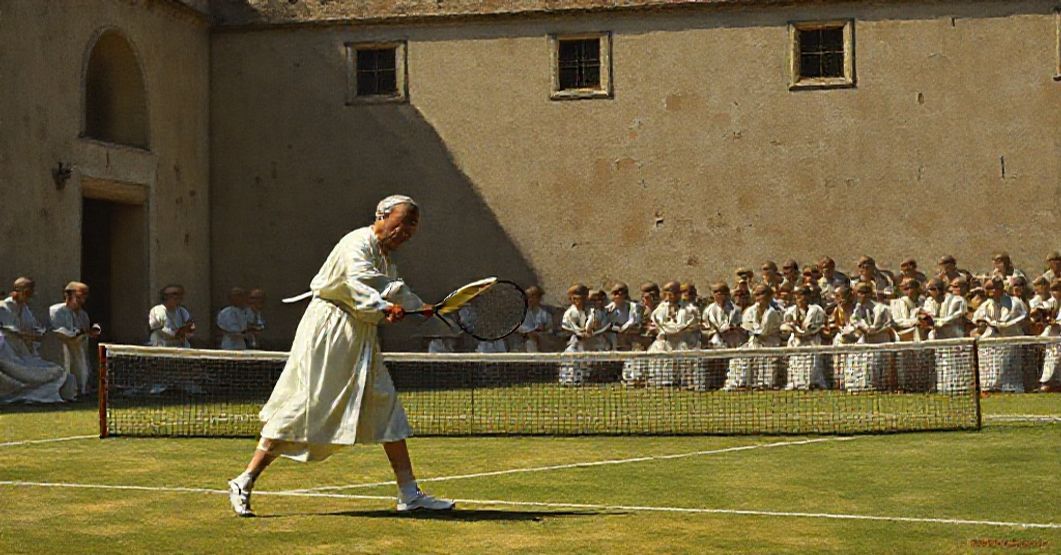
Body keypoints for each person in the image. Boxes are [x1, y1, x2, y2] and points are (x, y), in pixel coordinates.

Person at [227, 195, 453, 517]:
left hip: (361, 337)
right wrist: (389, 307)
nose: (407, 233)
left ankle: (409, 493)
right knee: (305, 406)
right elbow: (362, 284)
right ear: (383, 216)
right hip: (329, 332)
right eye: (404, 224)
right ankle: (244, 480)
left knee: (386, 407)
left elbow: (390, 287)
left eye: (412, 228)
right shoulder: (356, 244)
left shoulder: (386, 259)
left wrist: (418, 306)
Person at [0, 277, 75, 403]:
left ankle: (31, 396)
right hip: (7, 355)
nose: (29, 297)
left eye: (31, 293)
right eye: (27, 293)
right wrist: (23, 334)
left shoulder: (25, 309)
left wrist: (37, 333)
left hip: (24, 355)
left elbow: (34, 328)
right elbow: (10, 331)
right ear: (16, 292)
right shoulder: (3, 308)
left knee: (58, 372)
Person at [972, 277, 1028, 392]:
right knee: (989, 371)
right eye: (987, 288)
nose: (990, 291)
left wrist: (995, 324)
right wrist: (981, 325)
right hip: (991, 345)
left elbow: (1010, 321)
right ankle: (988, 388)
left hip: (1010, 343)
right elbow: (979, 321)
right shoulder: (986, 304)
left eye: (993, 288)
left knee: (1008, 373)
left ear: (1001, 288)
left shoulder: (1014, 302)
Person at [723, 285, 782, 390]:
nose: (759, 297)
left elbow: (763, 332)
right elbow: (746, 326)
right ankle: (739, 384)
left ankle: (765, 384)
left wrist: (753, 330)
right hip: (753, 343)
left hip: (770, 344)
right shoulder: (750, 311)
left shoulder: (773, 313)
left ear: (769, 296)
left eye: (762, 294)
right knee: (739, 358)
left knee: (767, 365)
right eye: (757, 294)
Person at [48, 281, 101, 397]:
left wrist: (91, 332)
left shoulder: (83, 315)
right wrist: (77, 333)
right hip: (60, 349)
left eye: (84, 297)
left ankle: (80, 391)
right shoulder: (56, 311)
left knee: (82, 371)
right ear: (68, 295)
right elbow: (58, 331)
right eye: (79, 297)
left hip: (78, 350)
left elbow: (85, 331)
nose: (82, 301)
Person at [843, 282, 894, 391]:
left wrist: (875, 331)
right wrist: (863, 329)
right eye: (859, 292)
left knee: (879, 365)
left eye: (864, 292)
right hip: (865, 341)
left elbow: (890, 325)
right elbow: (855, 323)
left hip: (880, 341)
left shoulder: (882, 308)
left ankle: (882, 387)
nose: (862, 295)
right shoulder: (857, 309)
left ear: (870, 293)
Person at [922, 277, 969, 393]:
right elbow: (928, 316)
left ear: (939, 289)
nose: (930, 292)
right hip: (939, 335)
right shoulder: (929, 301)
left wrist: (939, 322)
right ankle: (943, 387)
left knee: (955, 362)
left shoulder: (958, 300)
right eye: (929, 289)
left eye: (932, 289)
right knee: (941, 362)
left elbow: (957, 315)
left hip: (954, 334)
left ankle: (958, 388)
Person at [780, 286, 828, 390]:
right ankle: (795, 384)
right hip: (796, 343)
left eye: (803, 295)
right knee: (795, 363)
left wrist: (800, 331)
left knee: (813, 365)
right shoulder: (790, 311)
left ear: (809, 297)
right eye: (797, 296)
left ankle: (814, 383)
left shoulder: (816, 310)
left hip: (812, 342)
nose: (800, 298)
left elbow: (812, 328)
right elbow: (786, 326)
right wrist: (794, 330)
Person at [890, 278, 931, 391]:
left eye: (910, 288)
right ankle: (906, 386)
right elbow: (897, 321)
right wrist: (915, 322)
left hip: (923, 333)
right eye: (904, 288)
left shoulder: (923, 301)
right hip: (903, 335)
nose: (907, 291)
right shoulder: (896, 303)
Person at [560, 284, 605, 385]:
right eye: (574, 298)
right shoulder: (569, 313)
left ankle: (593, 377)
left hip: (592, 341)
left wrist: (590, 330)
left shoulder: (592, 311)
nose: (578, 301)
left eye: (581, 298)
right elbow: (570, 327)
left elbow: (595, 323)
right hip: (575, 341)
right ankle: (569, 379)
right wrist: (580, 333)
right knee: (571, 355)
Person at [1038, 280, 1061, 392]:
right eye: (1053, 290)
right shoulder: (1050, 302)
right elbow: (1039, 311)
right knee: (1051, 359)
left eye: (1057, 289)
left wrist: (1056, 323)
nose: (1054, 292)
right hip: (1052, 340)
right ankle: (1046, 382)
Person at [515, 285, 552, 352]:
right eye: (528, 297)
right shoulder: (520, 314)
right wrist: (528, 332)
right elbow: (516, 328)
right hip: (521, 343)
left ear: (539, 298)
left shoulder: (544, 314)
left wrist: (540, 332)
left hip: (539, 343)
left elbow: (549, 330)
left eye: (533, 296)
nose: (530, 299)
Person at [604, 282, 640, 351]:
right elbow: (605, 325)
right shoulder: (608, 309)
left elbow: (636, 321)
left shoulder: (633, 307)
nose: (618, 295)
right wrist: (617, 329)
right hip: (613, 341)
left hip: (629, 341)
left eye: (621, 292)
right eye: (615, 293)